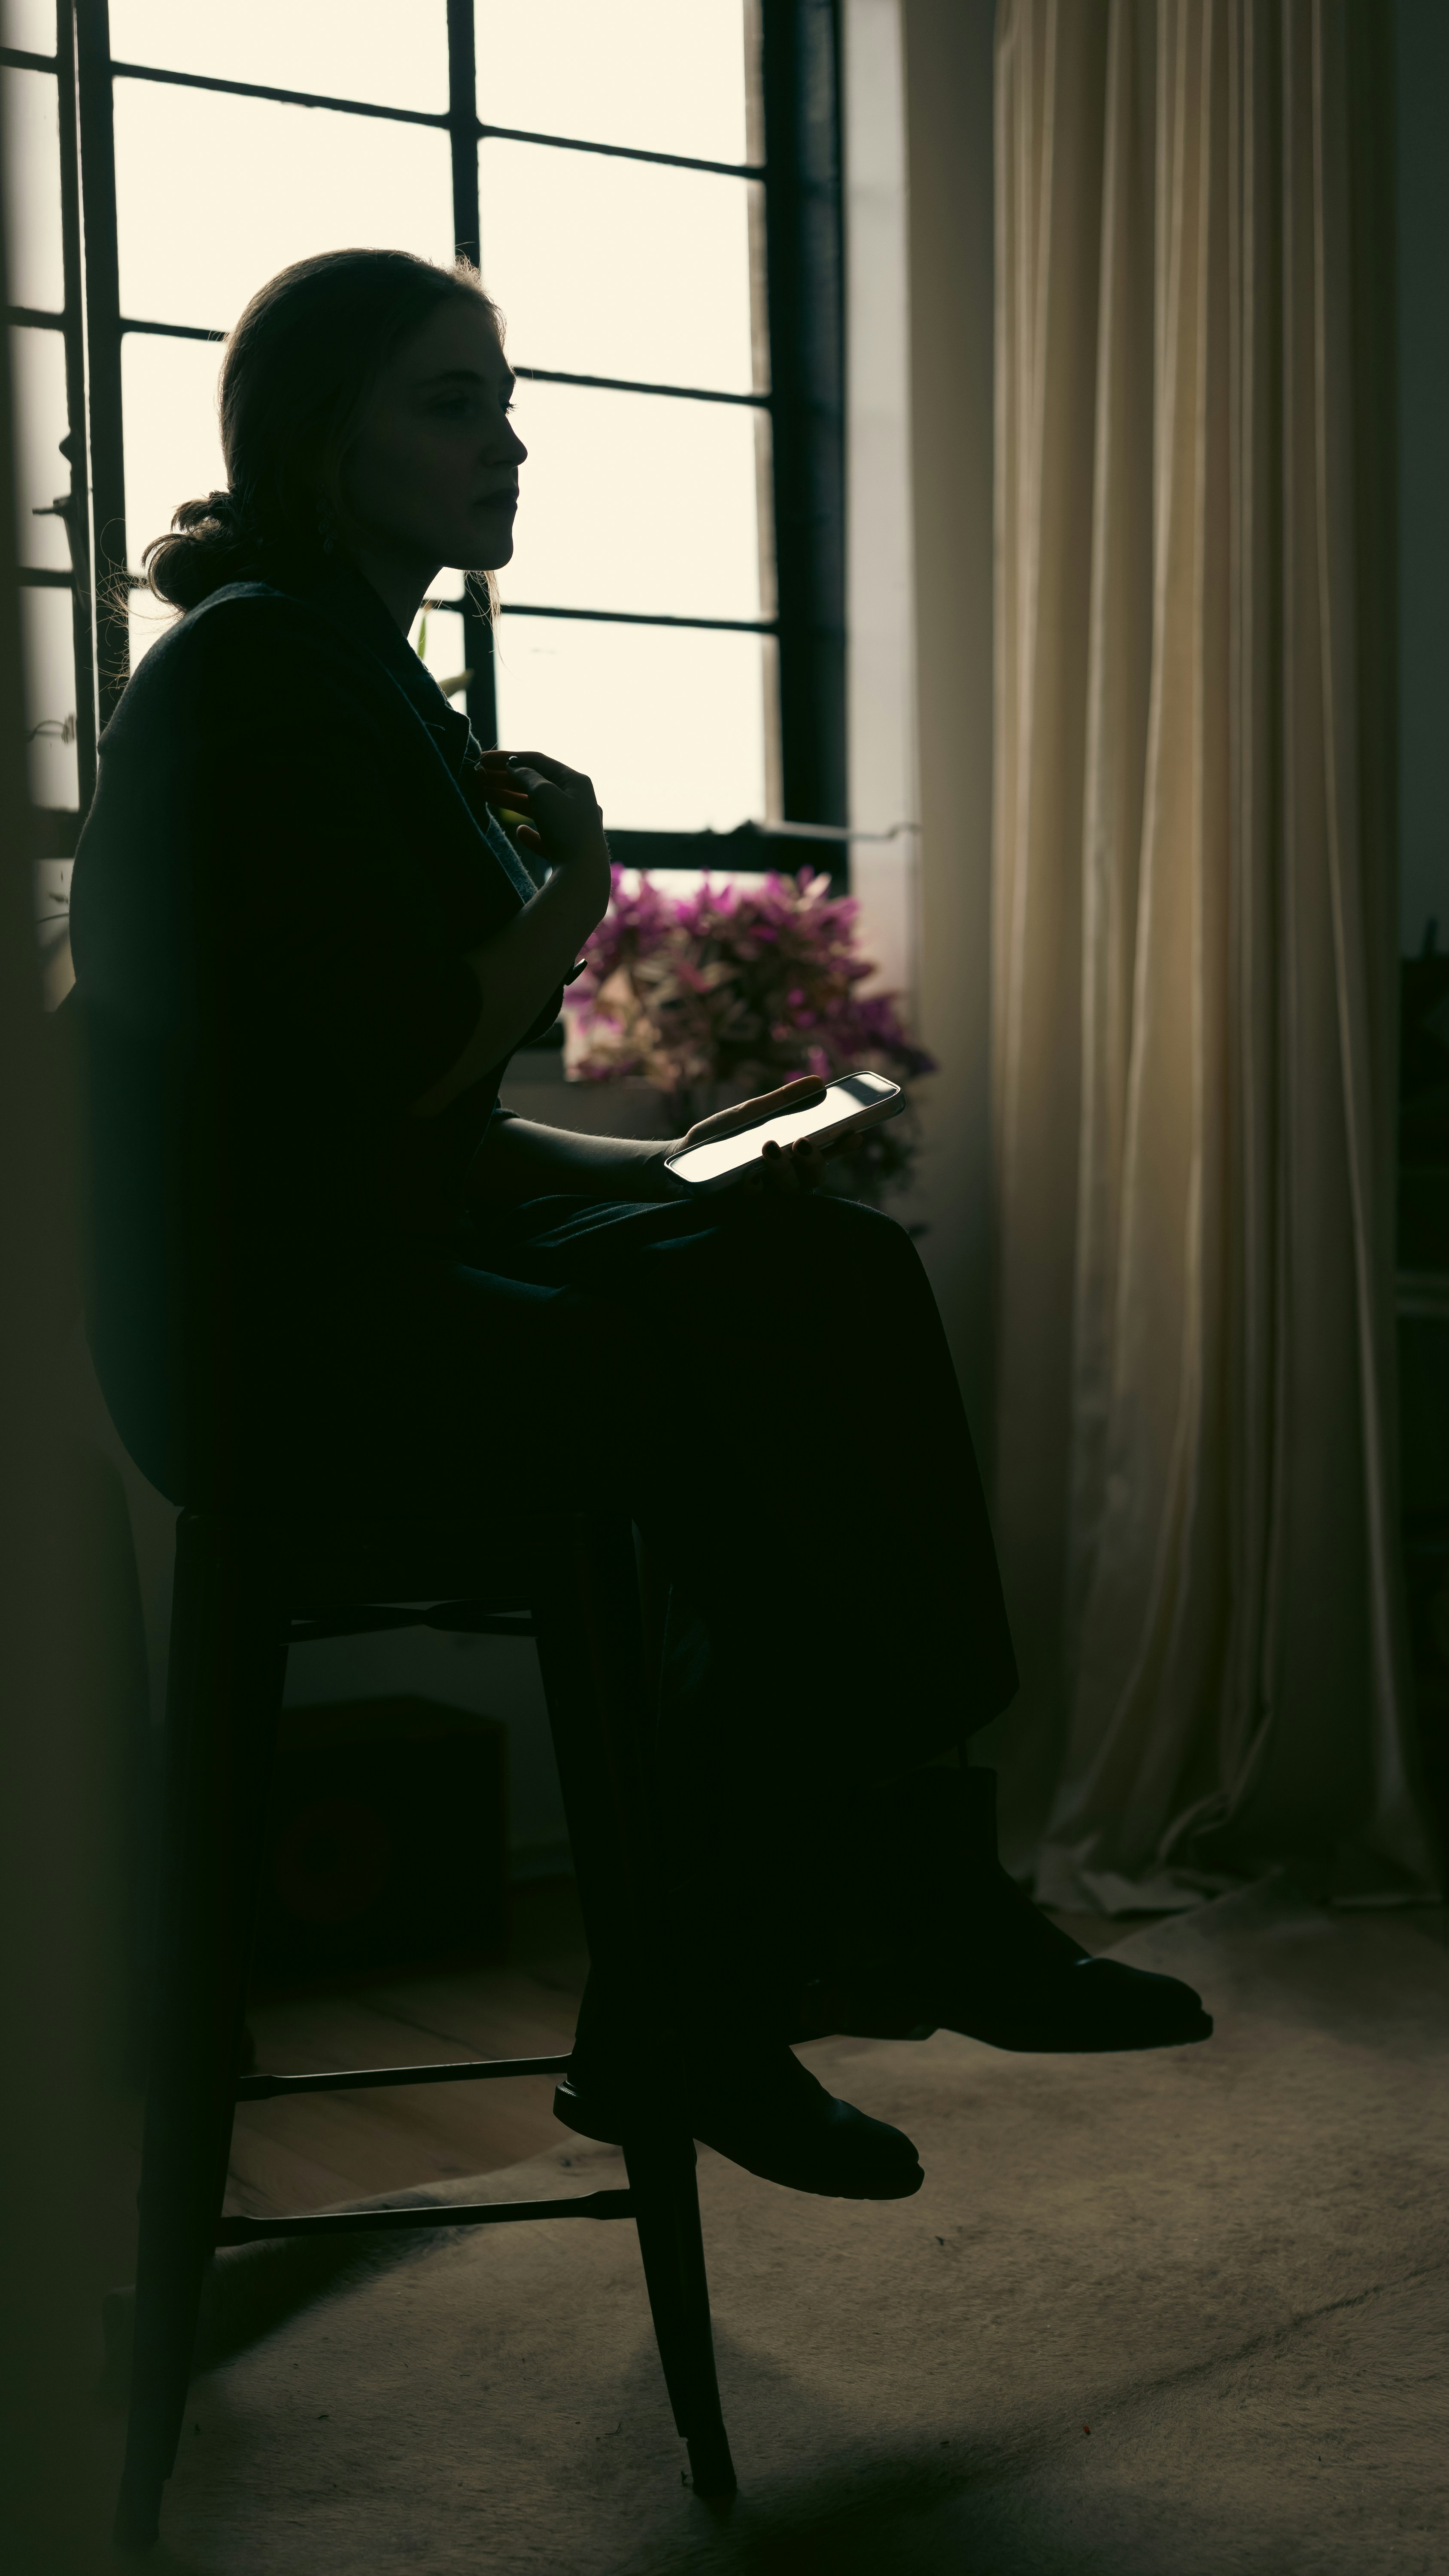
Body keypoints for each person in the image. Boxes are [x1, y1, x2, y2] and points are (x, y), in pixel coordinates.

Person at [69, 250, 1209, 2208]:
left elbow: (433, 1135)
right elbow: (400, 1071)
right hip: (284, 1345)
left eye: (504, 395)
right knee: (795, 1342)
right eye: (450, 402)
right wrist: (574, 886)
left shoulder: (356, 677)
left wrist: (678, 1160)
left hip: (370, 1271)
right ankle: (845, 1919)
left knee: (804, 1266)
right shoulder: (263, 669)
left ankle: (773, 1957)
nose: (504, 440)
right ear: (322, 440)